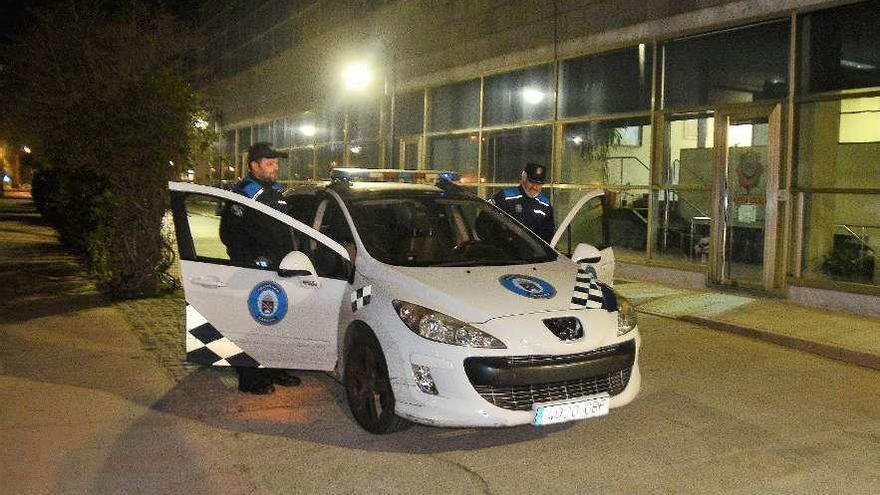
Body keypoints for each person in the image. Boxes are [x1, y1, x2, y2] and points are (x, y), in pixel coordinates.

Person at [220, 141, 301, 395]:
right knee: (252, 324)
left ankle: (274, 369)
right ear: (254, 166)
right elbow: (229, 235)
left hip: (280, 269)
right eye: (269, 163)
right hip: (253, 271)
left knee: (277, 321)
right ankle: (250, 377)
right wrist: (252, 262)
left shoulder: (275, 191)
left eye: (276, 162)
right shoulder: (244, 194)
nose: (275, 167)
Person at [489, 162, 555, 243]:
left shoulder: (545, 204)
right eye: (531, 182)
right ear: (524, 178)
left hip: (533, 254)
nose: (534, 187)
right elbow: (484, 224)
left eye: (538, 184)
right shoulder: (505, 197)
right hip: (504, 252)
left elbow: (548, 236)